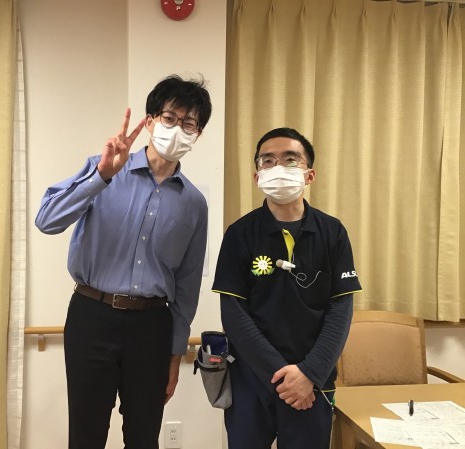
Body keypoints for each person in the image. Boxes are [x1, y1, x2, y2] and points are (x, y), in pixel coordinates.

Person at [35, 74, 212, 449]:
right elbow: (47, 221)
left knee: (144, 437)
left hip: (152, 325)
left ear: (197, 135)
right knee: (86, 435)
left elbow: (187, 284)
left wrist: (176, 350)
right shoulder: (104, 168)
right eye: (169, 118)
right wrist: (101, 176)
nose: (177, 129)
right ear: (150, 122)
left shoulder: (194, 203)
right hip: (92, 316)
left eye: (189, 124)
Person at [212, 127, 362, 449]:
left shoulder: (333, 233)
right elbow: (234, 314)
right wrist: (282, 375)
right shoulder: (240, 234)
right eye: (268, 160)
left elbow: (340, 310)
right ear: (257, 177)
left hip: (313, 381)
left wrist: (308, 374)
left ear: (310, 175)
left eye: (290, 159)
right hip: (252, 381)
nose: (278, 166)